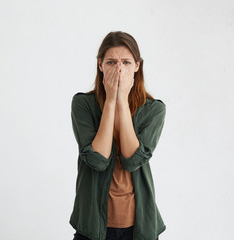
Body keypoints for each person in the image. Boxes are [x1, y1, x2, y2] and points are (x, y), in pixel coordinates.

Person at [70, 31, 166, 240]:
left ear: (137, 66)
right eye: (111, 62)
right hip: (92, 225)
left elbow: (133, 161)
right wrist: (111, 101)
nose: (119, 69)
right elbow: (98, 160)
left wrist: (122, 101)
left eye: (126, 62)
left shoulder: (153, 110)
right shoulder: (82, 104)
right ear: (100, 65)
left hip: (139, 227)